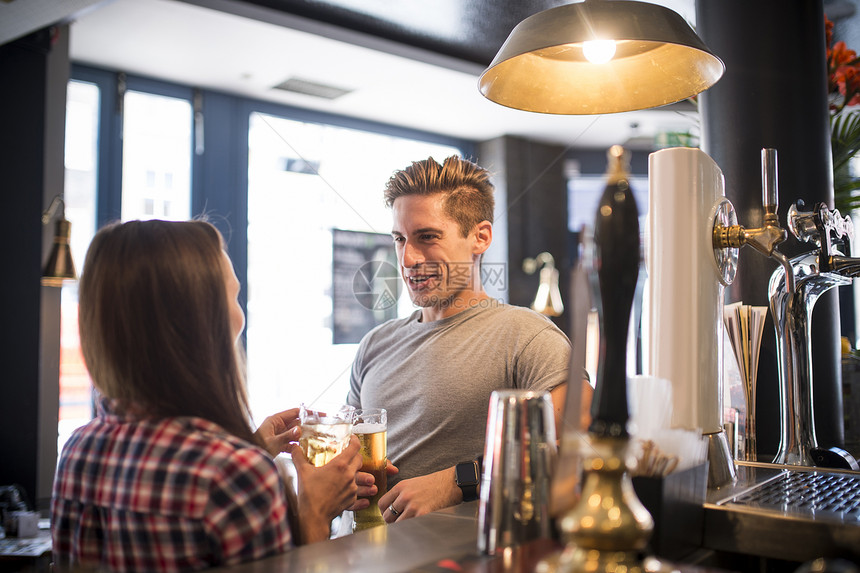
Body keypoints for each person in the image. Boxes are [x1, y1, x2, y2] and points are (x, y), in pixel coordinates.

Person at [51, 219, 371, 572]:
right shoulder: (236, 475)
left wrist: (250, 448)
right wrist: (316, 514)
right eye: (233, 296)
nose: (241, 315)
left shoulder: (79, 450)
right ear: (204, 324)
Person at [348, 155, 581, 523]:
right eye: (399, 239)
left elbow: (576, 447)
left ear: (480, 237)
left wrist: (459, 481)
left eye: (427, 237)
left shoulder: (529, 337)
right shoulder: (374, 345)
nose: (407, 258)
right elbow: (349, 453)